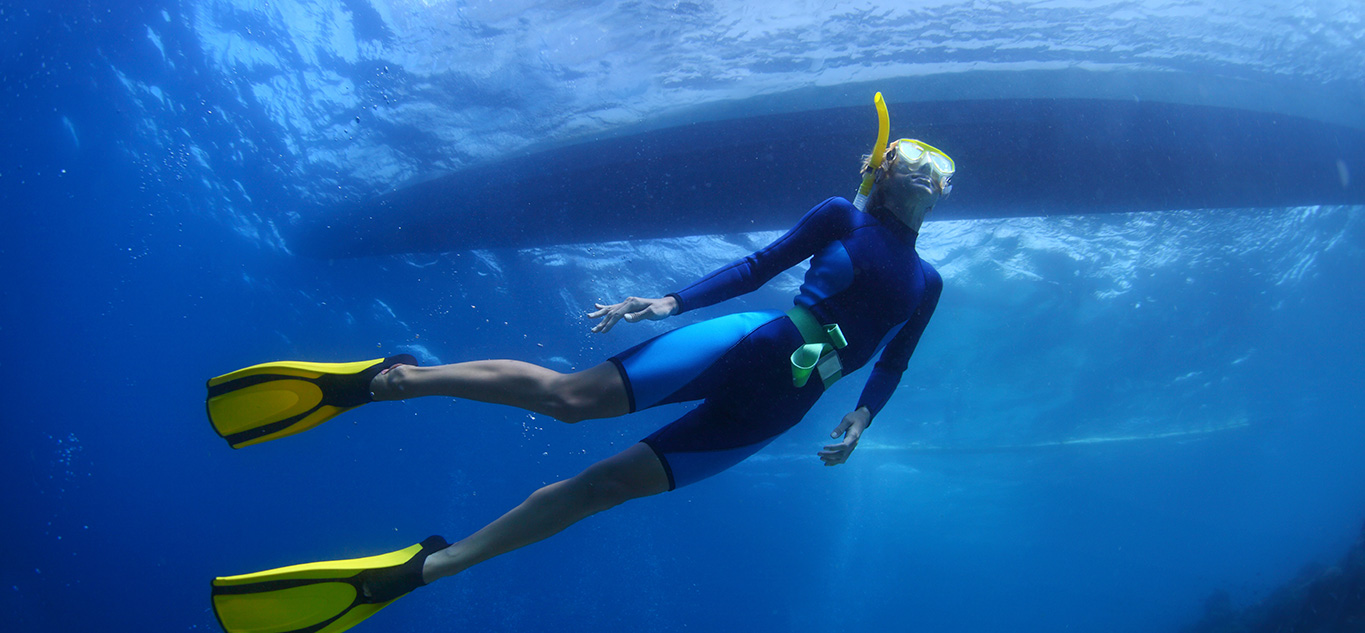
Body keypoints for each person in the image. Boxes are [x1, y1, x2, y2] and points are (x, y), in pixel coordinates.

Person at [205, 101, 953, 633]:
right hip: (745, 342)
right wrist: (669, 299)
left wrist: (861, 415)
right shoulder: (840, 215)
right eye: (915, 159)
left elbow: (895, 360)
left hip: (773, 413)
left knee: (600, 489)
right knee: (567, 399)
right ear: (884, 173)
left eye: (939, 167)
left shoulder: (929, 283)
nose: (928, 172)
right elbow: (758, 264)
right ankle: (390, 378)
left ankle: (422, 571)